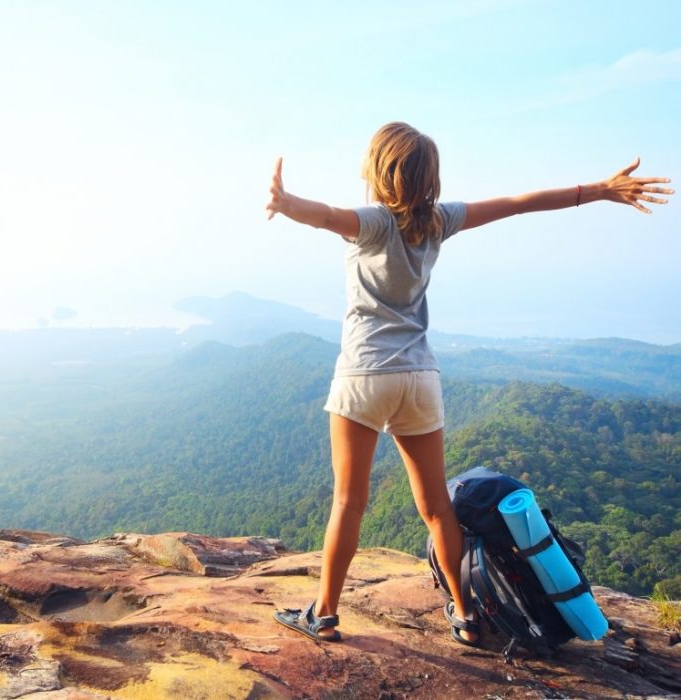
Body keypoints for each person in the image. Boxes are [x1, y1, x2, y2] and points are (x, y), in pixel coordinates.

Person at [265, 121, 673, 646]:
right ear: (428, 178)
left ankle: (322, 613)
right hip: (420, 377)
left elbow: (323, 216)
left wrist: (286, 201)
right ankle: (465, 614)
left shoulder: (372, 222)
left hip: (365, 373)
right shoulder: (438, 221)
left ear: (379, 171)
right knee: (436, 506)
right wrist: (598, 191)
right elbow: (517, 202)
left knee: (349, 501)